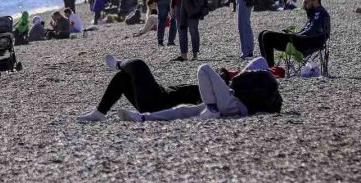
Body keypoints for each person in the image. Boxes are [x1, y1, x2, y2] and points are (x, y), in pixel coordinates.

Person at [118, 57, 281, 122]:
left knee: (204, 68)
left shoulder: (259, 77)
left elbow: (238, 81)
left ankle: (211, 110)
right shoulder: (269, 87)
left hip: (233, 104)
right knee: (185, 110)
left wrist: (233, 77)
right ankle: (143, 118)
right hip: (234, 103)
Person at [76, 56, 201, 123]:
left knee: (138, 64)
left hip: (158, 106)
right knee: (124, 77)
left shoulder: (211, 97)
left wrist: (148, 117)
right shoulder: (207, 88)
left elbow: (193, 111)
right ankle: (99, 112)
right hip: (159, 96)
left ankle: (118, 64)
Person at [258, 0, 330, 67]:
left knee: (267, 35)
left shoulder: (319, 13)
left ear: (315, 2)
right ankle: (266, 67)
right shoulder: (315, 13)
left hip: (307, 43)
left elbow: (312, 31)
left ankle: (270, 69)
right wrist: (296, 33)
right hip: (304, 40)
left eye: (306, 2)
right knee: (262, 34)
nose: (304, 5)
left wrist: (296, 35)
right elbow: (309, 30)